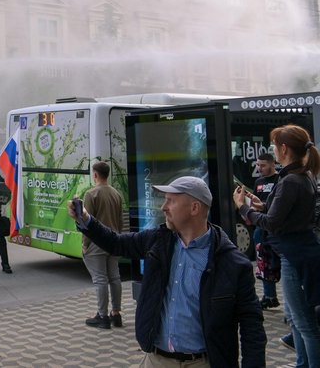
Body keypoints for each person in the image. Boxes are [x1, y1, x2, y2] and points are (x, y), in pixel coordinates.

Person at [70, 176, 265, 367]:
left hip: (204, 362)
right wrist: (86, 219)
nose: (163, 207)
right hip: (157, 360)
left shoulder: (231, 263)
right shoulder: (158, 241)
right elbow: (116, 243)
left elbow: (252, 326)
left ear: (194, 208)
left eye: (170, 201)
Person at [235, 124, 320, 367]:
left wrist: (243, 207)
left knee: (304, 324)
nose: (272, 149)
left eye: (274, 145)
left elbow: (272, 222)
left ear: (283, 149)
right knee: (296, 319)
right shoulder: (301, 175)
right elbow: (278, 211)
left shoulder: (291, 180)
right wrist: (255, 203)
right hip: (298, 251)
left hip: (294, 254)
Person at [80, 161, 123, 329]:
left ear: (95, 175)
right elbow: (120, 221)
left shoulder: (91, 194)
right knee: (115, 277)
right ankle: (116, 313)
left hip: (97, 242)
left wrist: (85, 244)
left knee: (100, 279)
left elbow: (86, 222)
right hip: (113, 240)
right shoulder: (116, 194)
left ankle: (102, 316)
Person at [252, 152, 280, 309]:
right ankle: (269, 296)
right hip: (260, 227)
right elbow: (255, 201)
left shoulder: (280, 180)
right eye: (258, 165)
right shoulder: (258, 182)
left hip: (276, 228)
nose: (259, 168)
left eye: (263, 165)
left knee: (281, 262)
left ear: (272, 164)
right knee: (263, 263)